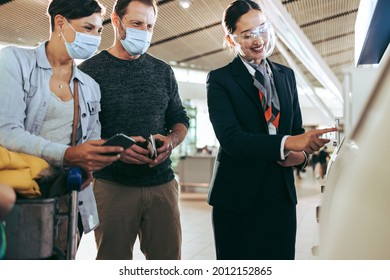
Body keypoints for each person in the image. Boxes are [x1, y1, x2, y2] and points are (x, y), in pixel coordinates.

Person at [206, 0, 337, 260]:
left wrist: (302, 154)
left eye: (262, 29)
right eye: (248, 35)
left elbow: (296, 130)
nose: (258, 40)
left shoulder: (285, 75)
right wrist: (288, 143)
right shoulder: (220, 80)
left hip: (280, 195)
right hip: (237, 197)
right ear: (231, 39)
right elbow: (232, 139)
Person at [0, 0, 124, 254]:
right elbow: (6, 131)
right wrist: (67, 155)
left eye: (99, 31)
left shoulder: (90, 86)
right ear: (60, 22)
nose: (95, 38)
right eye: (88, 28)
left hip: (69, 196)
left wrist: (93, 159)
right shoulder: (14, 60)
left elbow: (92, 137)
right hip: (21, 193)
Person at [79, 0, 189, 260]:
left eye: (149, 25)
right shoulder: (89, 72)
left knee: (168, 261)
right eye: (137, 23)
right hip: (112, 186)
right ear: (116, 22)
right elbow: (81, 133)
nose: (144, 31)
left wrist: (171, 140)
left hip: (161, 184)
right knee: (113, 261)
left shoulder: (163, 71)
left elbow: (179, 118)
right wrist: (116, 150)